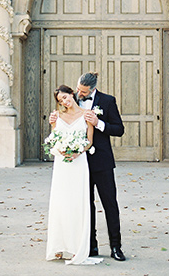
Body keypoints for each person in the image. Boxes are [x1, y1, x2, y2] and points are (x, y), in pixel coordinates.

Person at [45, 85, 101, 265]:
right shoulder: (57, 117)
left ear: (72, 94)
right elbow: (53, 138)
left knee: (77, 203)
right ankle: (59, 246)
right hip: (62, 164)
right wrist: (60, 149)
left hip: (78, 163)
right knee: (60, 203)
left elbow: (89, 141)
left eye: (65, 97)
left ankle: (76, 246)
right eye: (60, 100)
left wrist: (78, 151)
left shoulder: (87, 115)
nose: (64, 102)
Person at [76, 71, 126, 262]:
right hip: (81, 163)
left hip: (102, 162)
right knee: (85, 206)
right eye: (79, 89)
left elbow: (119, 129)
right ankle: (91, 245)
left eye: (83, 91)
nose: (80, 94)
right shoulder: (73, 99)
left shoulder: (107, 101)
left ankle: (116, 246)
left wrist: (99, 123)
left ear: (93, 89)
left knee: (110, 205)